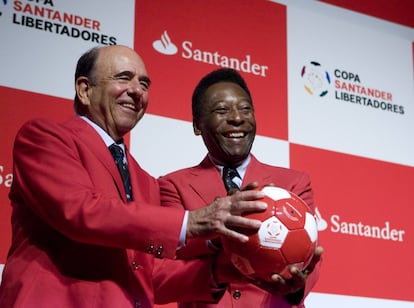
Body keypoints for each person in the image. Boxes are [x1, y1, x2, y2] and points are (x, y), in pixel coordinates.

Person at [0, 46, 268, 307]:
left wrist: (230, 269)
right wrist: (192, 221)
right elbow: (80, 211)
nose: (137, 91)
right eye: (123, 78)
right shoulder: (45, 138)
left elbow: (152, 276)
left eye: (144, 83)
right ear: (84, 89)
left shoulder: (147, 182)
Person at [158, 68, 323, 307]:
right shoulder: (172, 185)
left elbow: (308, 253)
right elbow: (170, 258)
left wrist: (296, 288)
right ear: (197, 125)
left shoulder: (294, 183)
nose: (237, 118)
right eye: (222, 110)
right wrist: (221, 231)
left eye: (245, 109)